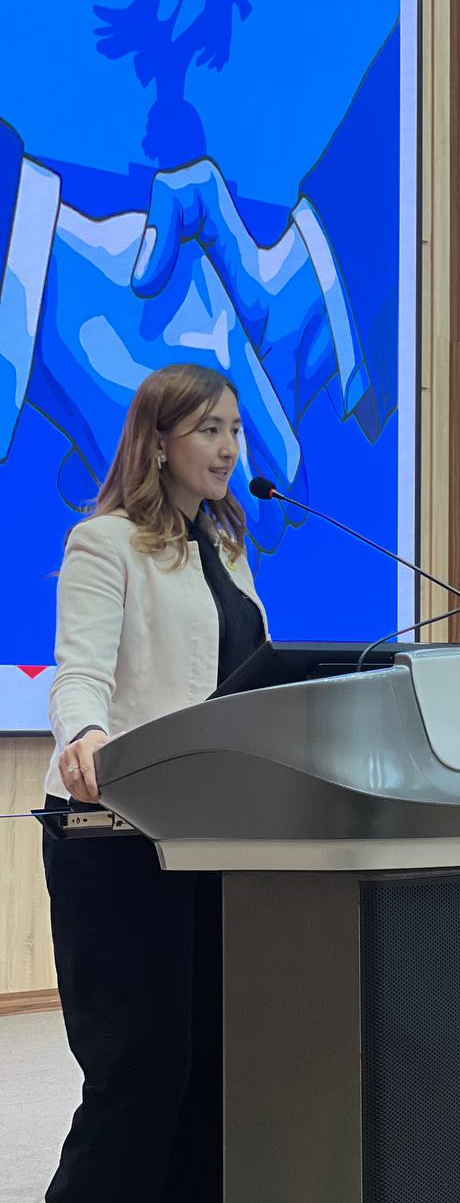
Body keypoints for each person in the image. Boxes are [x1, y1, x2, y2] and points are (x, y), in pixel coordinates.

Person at [41, 362, 268, 1202]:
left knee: (212, 1066)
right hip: (118, 830)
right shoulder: (105, 542)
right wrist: (85, 734)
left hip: (211, 831)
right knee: (139, 1070)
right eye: (209, 429)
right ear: (160, 441)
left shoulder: (229, 551)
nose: (228, 447)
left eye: (235, 430)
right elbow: (79, 672)